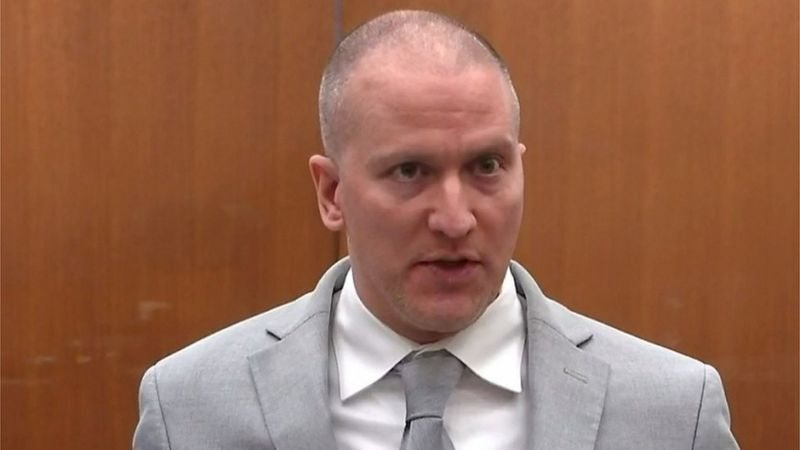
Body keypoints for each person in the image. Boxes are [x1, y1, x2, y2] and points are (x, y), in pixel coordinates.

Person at [133, 10, 739, 450]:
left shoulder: (672, 412)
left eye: (487, 166)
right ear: (332, 193)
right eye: (409, 171)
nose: (455, 219)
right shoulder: (190, 408)